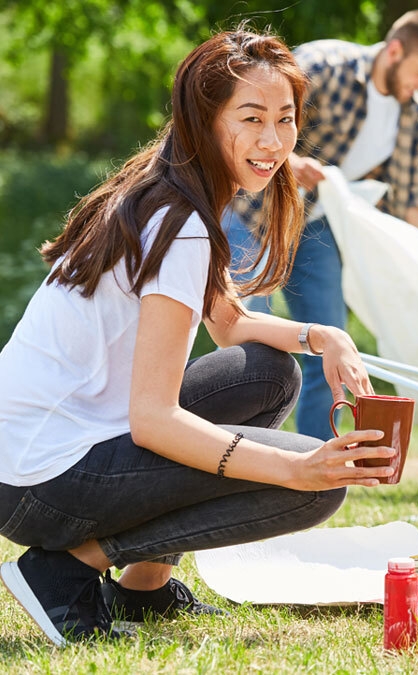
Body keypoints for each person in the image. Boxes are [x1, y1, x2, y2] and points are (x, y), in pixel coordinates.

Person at [0, 29, 397, 646]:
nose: (273, 141)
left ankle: (144, 590)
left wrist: (326, 336)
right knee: (315, 490)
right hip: (39, 481)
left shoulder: (165, 191)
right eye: (251, 118)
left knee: (270, 372)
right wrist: (293, 470)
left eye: (286, 120)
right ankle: (66, 569)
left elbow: (230, 324)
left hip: (32, 456)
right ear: (204, 119)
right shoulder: (181, 224)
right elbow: (153, 422)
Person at [225, 10, 418, 442]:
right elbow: (251, 117)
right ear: (395, 50)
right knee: (248, 342)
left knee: (332, 348)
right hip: (252, 212)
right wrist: (291, 161)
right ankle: (236, 457)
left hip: (314, 228)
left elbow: (416, 199)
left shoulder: (410, 112)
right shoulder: (324, 65)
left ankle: (318, 464)